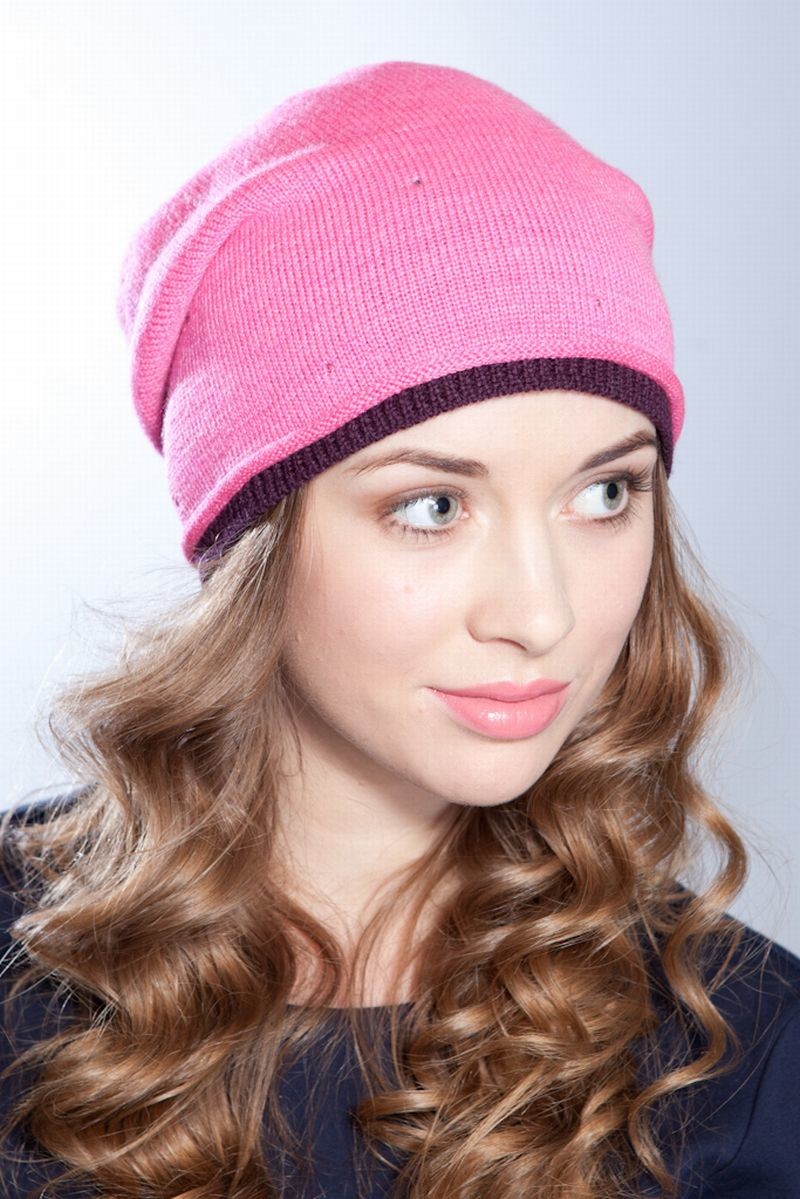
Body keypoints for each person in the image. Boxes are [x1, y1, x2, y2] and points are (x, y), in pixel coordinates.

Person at [0, 59, 798, 1199]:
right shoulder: (20, 966)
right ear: (251, 535)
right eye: (432, 506)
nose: (542, 615)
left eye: (604, 493)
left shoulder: (738, 1057)